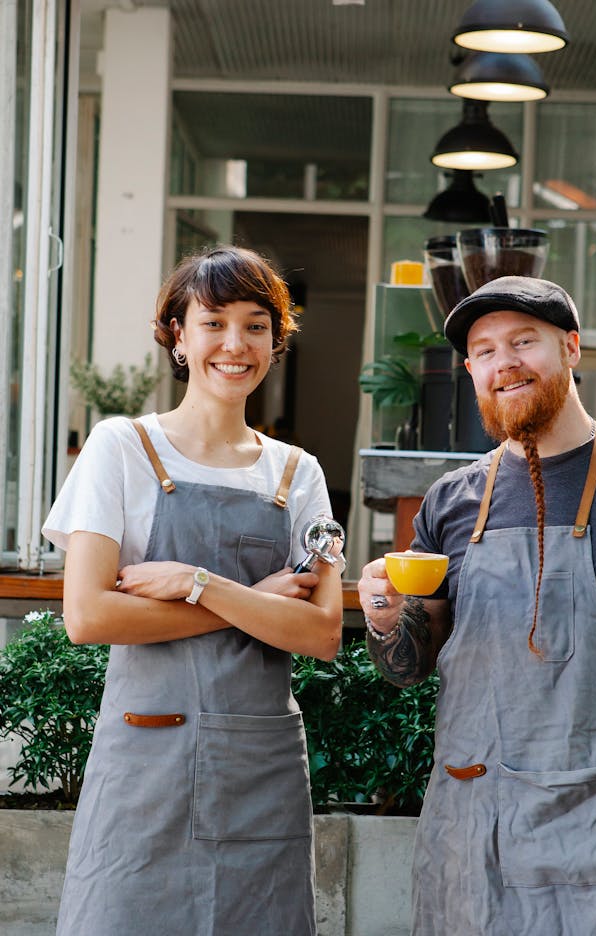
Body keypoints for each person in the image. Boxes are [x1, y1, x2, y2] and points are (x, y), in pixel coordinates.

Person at [358, 275, 596, 935]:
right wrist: (385, 617)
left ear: (571, 348)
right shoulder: (450, 502)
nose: (503, 361)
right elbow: (407, 667)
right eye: (484, 351)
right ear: (470, 371)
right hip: (469, 835)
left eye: (523, 341)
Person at [43, 245, 344, 935]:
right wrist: (250, 603)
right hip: (145, 767)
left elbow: (322, 633)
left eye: (256, 325)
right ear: (177, 336)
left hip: (257, 773)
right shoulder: (120, 448)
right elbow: (89, 615)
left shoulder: (298, 474)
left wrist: (195, 583)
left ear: (276, 340)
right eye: (213, 323)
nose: (235, 344)